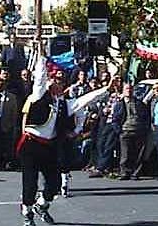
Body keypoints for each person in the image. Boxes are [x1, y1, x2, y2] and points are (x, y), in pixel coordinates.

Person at [18, 56, 108, 226]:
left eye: (60, 81)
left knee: (54, 182)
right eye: (55, 80)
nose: (57, 84)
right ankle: (27, 212)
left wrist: (105, 89)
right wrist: (41, 53)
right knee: (30, 182)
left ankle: (41, 205)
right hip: (30, 144)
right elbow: (39, 75)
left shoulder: (64, 104)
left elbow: (84, 100)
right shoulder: (38, 95)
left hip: (48, 146)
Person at [115, 83, 150, 180]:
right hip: (125, 131)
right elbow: (115, 119)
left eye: (130, 89)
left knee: (138, 154)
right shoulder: (119, 104)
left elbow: (146, 117)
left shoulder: (139, 103)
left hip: (138, 131)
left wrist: (145, 128)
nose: (129, 91)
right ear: (123, 90)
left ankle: (136, 173)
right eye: (126, 89)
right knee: (125, 154)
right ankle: (124, 172)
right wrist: (119, 130)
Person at [0, 78, 18, 170]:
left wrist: (13, 125)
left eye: (2, 84)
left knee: (7, 144)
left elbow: (14, 113)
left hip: (6, 123)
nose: (0, 86)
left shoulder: (11, 97)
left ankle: (8, 163)